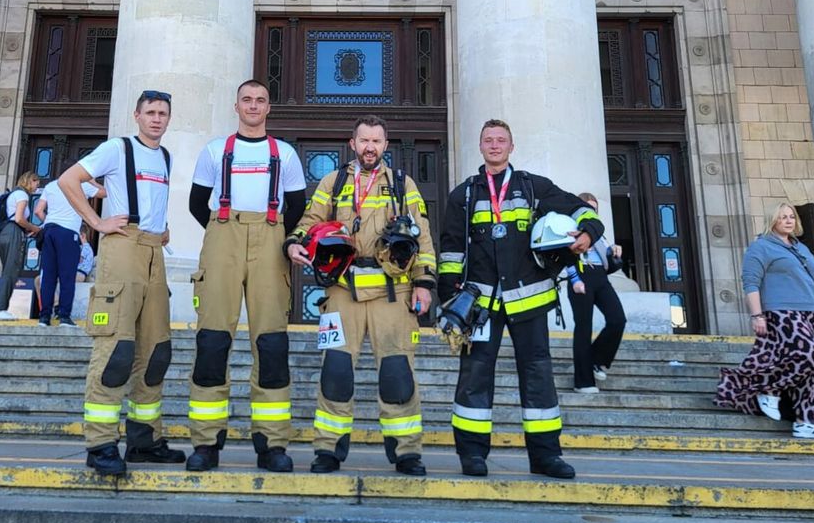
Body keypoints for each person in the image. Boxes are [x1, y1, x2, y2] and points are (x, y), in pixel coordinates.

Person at [437, 119, 603, 479]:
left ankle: (546, 456)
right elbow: (450, 252)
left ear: (512, 147)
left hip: (529, 302)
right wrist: (451, 302)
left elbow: (581, 209)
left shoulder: (534, 187)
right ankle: (473, 455)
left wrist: (589, 232)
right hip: (480, 307)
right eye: (488, 140)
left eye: (501, 140)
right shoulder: (462, 194)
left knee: (538, 375)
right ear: (480, 147)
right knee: (475, 376)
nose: (494, 146)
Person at [285, 115, 436, 477]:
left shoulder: (403, 185)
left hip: (392, 290)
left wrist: (424, 283)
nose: (370, 147)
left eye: (377, 141)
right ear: (352, 144)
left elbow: (423, 236)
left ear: (386, 145)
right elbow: (309, 220)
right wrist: (294, 241)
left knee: (398, 374)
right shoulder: (332, 181)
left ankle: (407, 453)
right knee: (335, 372)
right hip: (342, 290)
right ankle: (327, 451)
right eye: (364, 141)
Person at [56, 90, 183, 475]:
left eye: (163, 113)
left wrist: (161, 229)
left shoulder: (165, 156)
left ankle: (144, 440)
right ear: (137, 115)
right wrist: (96, 223)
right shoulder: (116, 148)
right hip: (122, 248)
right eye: (150, 112)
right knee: (116, 350)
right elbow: (68, 180)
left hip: (153, 252)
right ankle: (100, 444)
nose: (157, 119)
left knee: (156, 350)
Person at [185, 79, 307, 473]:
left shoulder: (285, 154)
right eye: (247, 100)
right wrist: (225, 231)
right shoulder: (214, 150)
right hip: (223, 234)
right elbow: (194, 203)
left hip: (271, 242)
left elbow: (297, 209)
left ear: (269, 108)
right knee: (212, 341)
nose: (253, 106)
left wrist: (277, 238)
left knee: (271, 345)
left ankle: (271, 443)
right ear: (235, 106)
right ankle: (205, 443)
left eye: (260, 101)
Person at [715, 202, 814, 439]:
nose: (788, 221)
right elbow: (751, 283)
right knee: (806, 357)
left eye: (791, 217)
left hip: (811, 314)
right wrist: (757, 315)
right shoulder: (761, 247)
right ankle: (768, 389)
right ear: (772, 220)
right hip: (782, 313)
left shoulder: (801, 247)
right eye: (782, 217)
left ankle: (806, 421)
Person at [564, 192, 626, 394]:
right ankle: (583, 382)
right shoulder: (569, 228)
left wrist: (614, 249)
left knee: (618, 319)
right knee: (584, 327)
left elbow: (605, 253)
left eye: (595, 209)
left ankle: (596, 360)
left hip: (600, 276)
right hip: (581, 277)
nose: (592, 213)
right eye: (587, 208)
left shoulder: (598, 232)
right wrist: (574, 280)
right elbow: (566, 256)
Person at [33, 174, 105, 326]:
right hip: (68, 233)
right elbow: (105, 193)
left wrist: (51, 221)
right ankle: (64, 316)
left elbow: (38, 210)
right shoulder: (80, 183)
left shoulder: (51, 185)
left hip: (49, 231)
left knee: (48, 276)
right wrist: (92, 181)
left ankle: (44, 317)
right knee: (67, 276)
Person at [0, 171, 41, 320]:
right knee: (11, 272)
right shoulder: (23, 195)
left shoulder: (13, 194)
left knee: (7, 270)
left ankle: (0, 308)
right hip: (13, 232)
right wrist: (35, 228)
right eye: (36, 183)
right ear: (30, 181)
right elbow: (19, 218)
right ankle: (0, 310)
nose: (36, 188)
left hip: (4, 233)